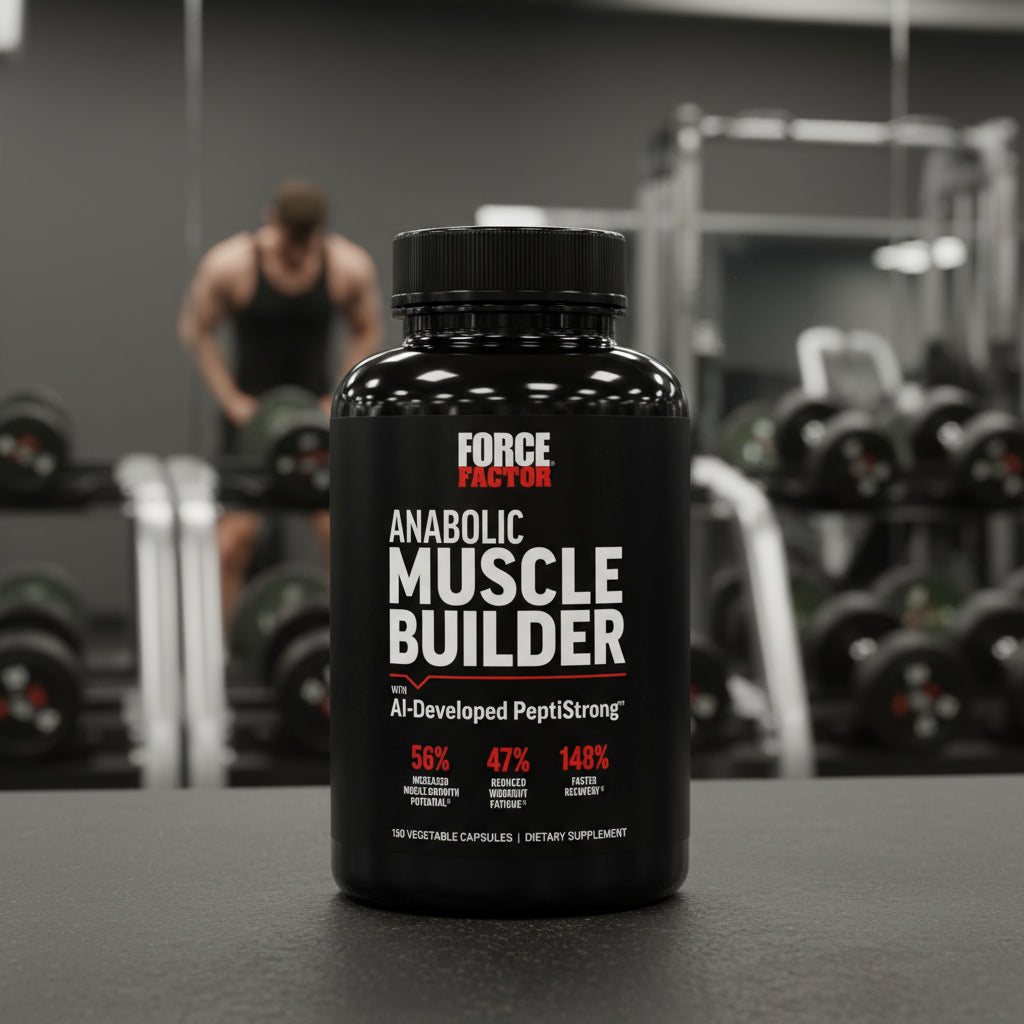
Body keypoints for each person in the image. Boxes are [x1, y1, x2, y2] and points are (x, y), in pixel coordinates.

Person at [179, 177, 383, 623]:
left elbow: (368, 327)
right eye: (290, 240)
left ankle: (348, 660)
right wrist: (231, 399)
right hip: (249, 423)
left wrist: (339, 392)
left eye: (305, 242)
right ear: (270, 221)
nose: (296, 252)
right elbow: (196, 329)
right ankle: (219, 665)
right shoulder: (230, 265)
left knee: (342, 538)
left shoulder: (346, 265)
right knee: (233, 544)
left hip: (314, 422)